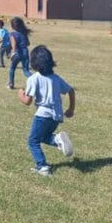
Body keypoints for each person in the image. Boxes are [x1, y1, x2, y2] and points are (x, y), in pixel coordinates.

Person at [18, 45, 75, 176]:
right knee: (43, 137)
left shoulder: (34, 78)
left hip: (42, 115)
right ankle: (57, 140)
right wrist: (71, 109)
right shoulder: (56, 78)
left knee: (33, 141)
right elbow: (70, 90)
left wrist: (20, 94)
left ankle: (43, 166)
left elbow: (27, 101)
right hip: (57, 116)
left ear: (34, 64)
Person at [7, 17, 33, 89]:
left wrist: (12, 53)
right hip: (25, 52)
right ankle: (35, 80)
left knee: (12, 68)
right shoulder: (24, 34)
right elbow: (28, 44)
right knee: (26, 70)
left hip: (18, 52)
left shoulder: (12, 34)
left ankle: (11, 84)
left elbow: (14, 44)